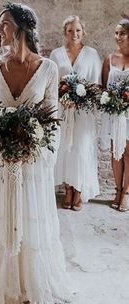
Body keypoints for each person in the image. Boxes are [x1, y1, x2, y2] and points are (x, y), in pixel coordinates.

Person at [0, 3, 74, 304]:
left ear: (23, 27)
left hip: (33, 158)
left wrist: (39, 149)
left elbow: (52, 116)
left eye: (5, 23)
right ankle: (3, 281)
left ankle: (32, 281)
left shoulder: (49, 68)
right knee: (1, 217)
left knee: (31, 215)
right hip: (1, 160)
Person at [50, 15, 102, 211]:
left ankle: (79, 190)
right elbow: (51, 84)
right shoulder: (56, 55)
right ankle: (68, 190)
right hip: (63, 111)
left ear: (83, 32)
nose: (74, 34)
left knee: (80, 149)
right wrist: (62, 96)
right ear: (65, 32)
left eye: (78, 30)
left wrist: (81, 98)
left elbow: (96, 85)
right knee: (65, 148)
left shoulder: (91, 54)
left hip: (82, 112)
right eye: (70, 30)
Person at [101, 17, 129, 212]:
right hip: (114, 113)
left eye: (123, 33)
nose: (118, 37)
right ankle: (117, 190)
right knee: (116, 151)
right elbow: (104, 87)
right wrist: (110, 99)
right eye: (117, 33)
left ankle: (126, 193)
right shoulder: (109, 58)